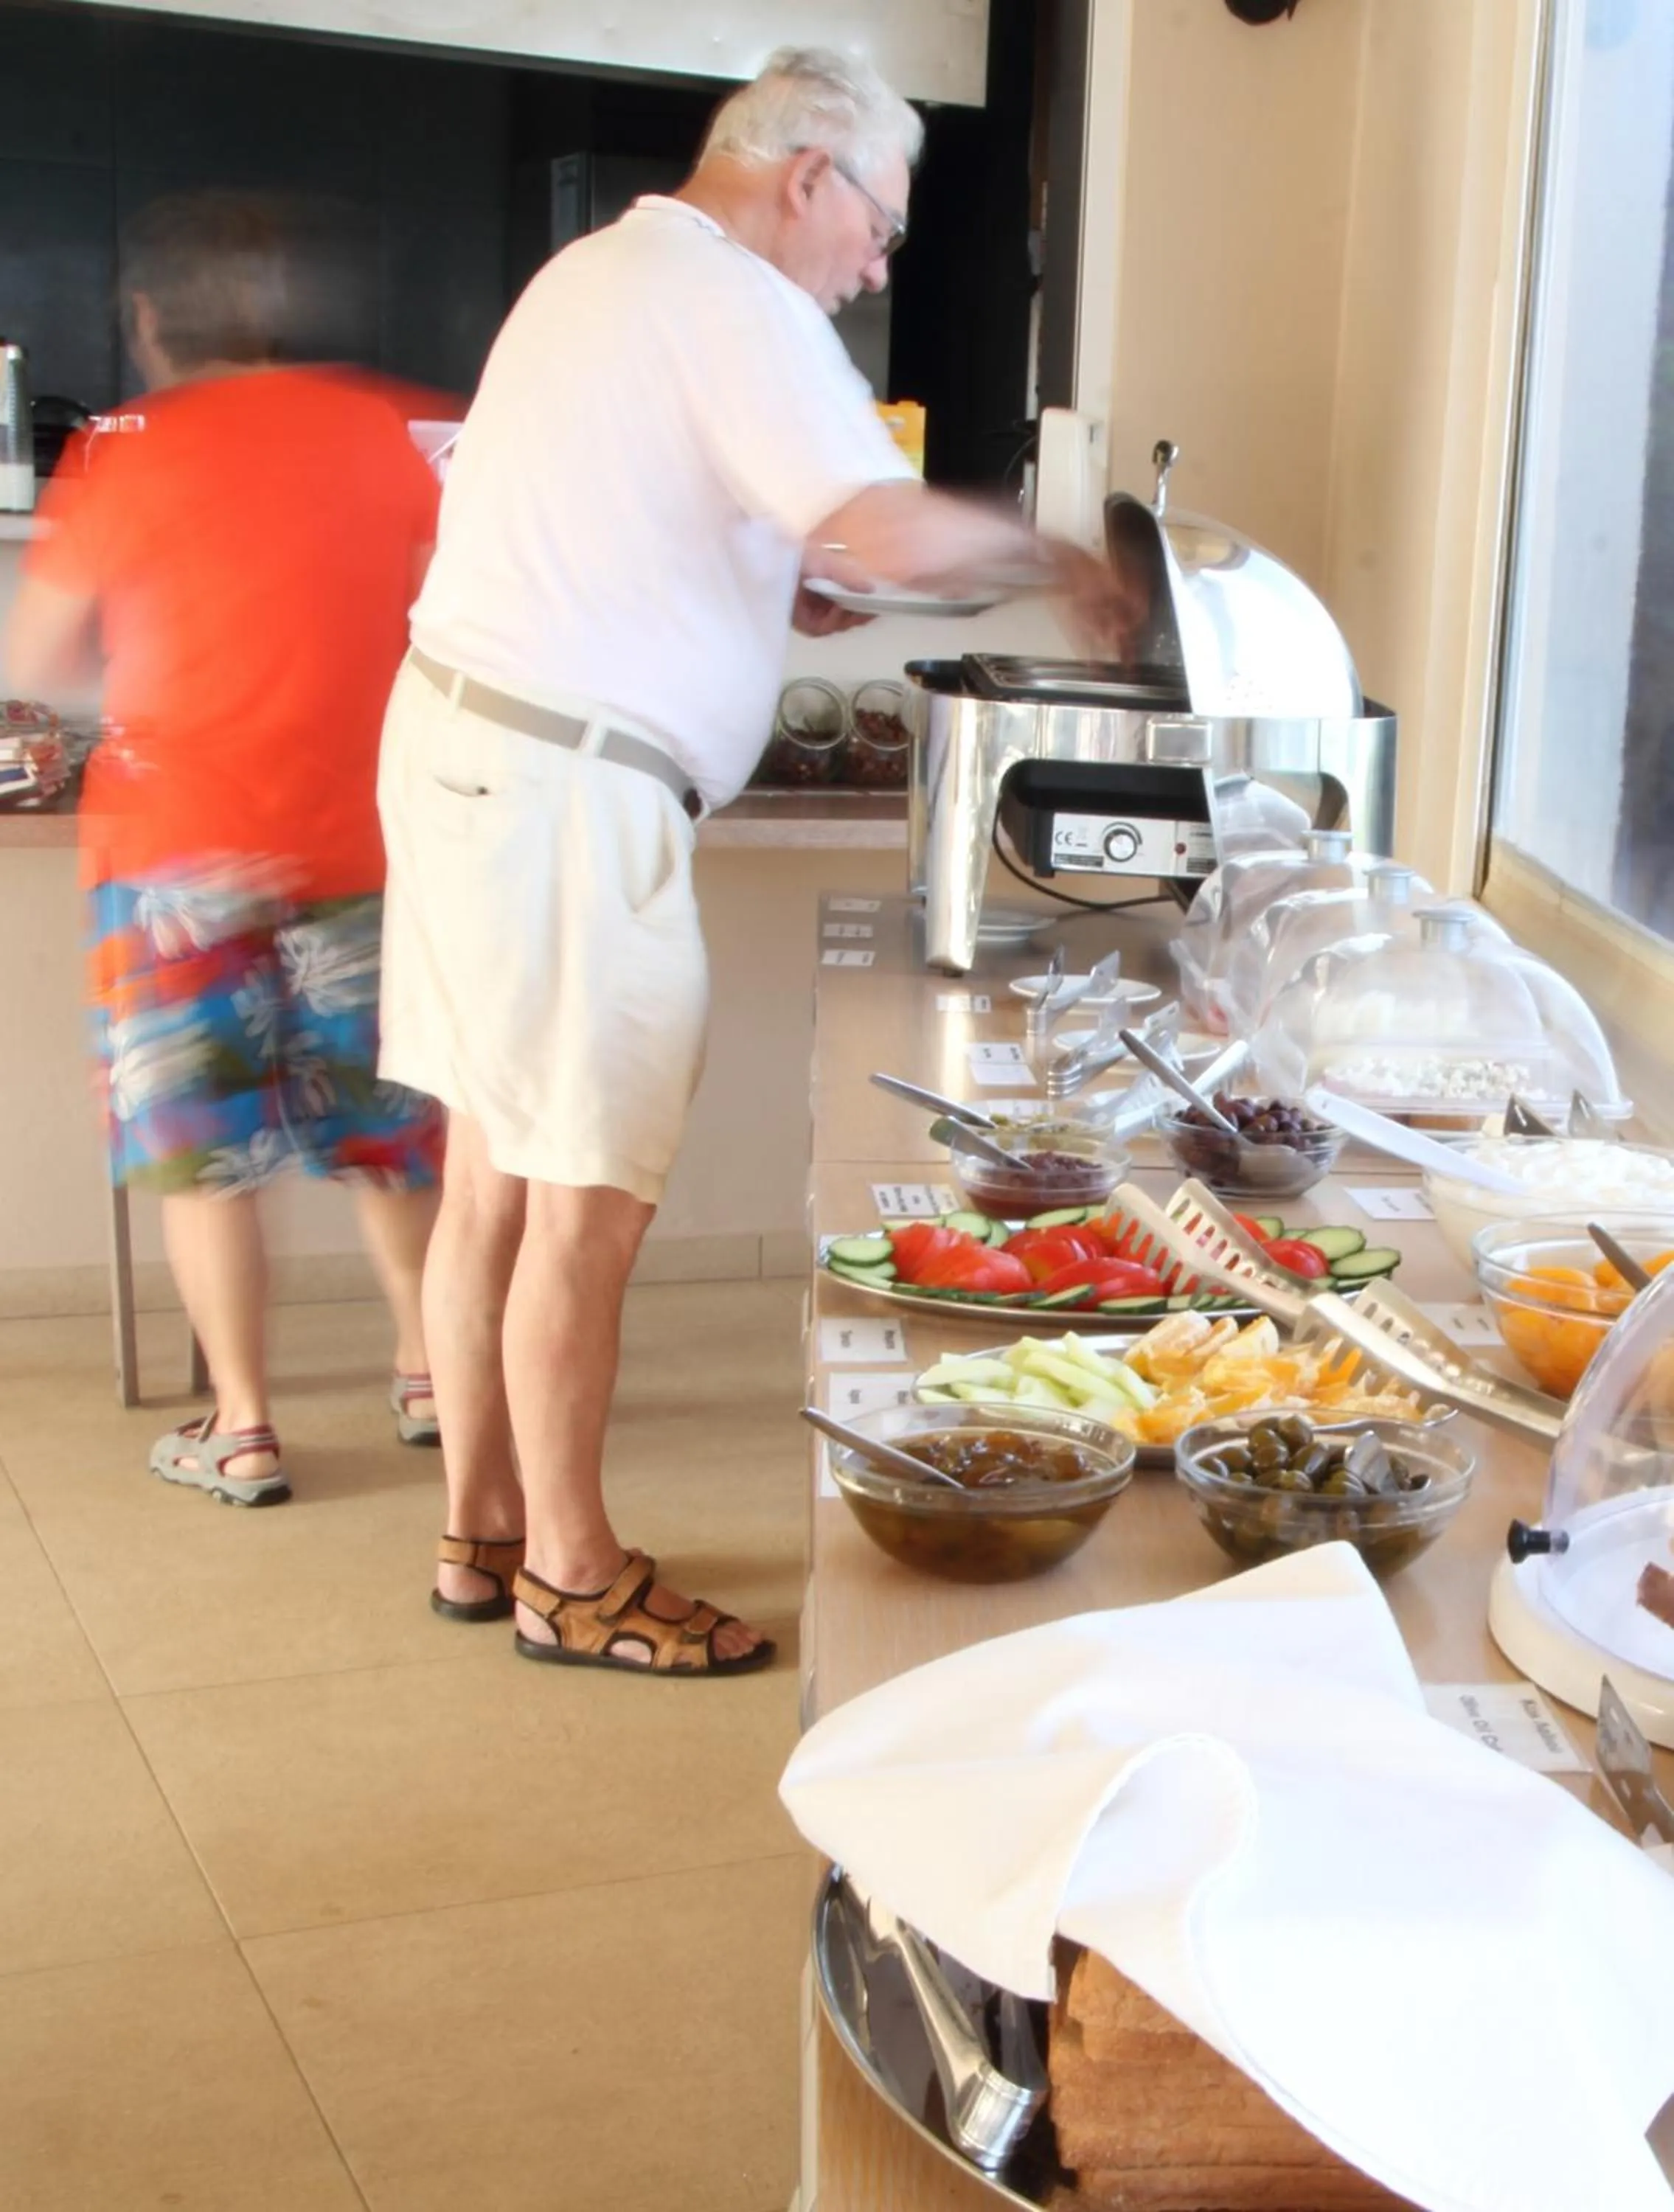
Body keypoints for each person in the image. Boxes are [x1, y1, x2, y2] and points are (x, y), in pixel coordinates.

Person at [378, 47, 1132, 1674]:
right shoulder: (739, 302)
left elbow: (666, 523)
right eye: (880, 227)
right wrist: (1055, 549)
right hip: (566, 800)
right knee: (585, 1202)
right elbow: (877, 529)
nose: (877, 267)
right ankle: (572, 1576)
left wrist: (770, 578)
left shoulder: (606, 272)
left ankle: (484, 1533)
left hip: (469, 752)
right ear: (807, 176)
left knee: (492, 1173)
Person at [4, 192, 448, 1506]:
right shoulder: (400, 432)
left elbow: (39, 656)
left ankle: (244, 1429)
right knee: (389, 1135)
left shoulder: (124, 447)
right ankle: (432, 1372)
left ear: (150, 318)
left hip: (175, 852)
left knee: (206, 1156)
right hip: (367, 844)